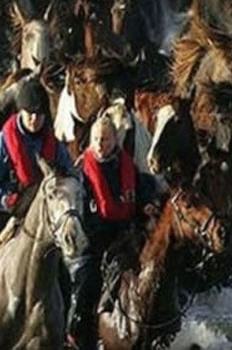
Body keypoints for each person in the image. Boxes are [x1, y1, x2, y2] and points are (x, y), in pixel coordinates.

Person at [0, 79, 77, 302]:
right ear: (20, 112)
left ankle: (67, 304)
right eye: (29, 114)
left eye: (39, 115)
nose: (34, 120)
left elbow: (71, 174)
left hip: (41, 214)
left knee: (62, 266)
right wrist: (2, 199)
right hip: (6, 208)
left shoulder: (55, 147)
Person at [65, 114, 161, 349]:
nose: (100, 144)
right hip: (93, 237)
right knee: (87, 279)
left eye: (106, 140)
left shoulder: (126, 165)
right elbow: (77, 208)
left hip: (125, 232)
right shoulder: (81, 172)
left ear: (114, 141)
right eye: (97, 139)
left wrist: (146, 204)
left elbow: (142, 191)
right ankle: (76, 328)